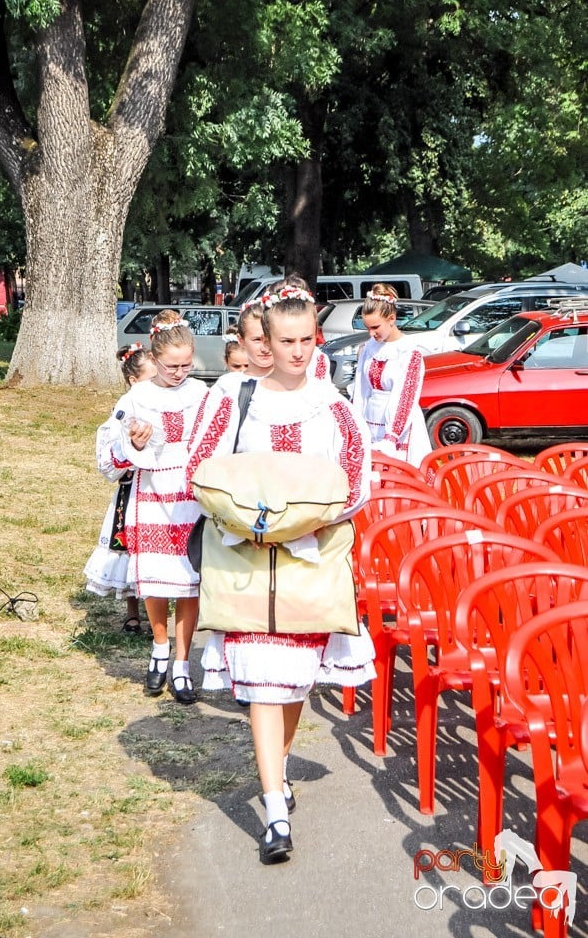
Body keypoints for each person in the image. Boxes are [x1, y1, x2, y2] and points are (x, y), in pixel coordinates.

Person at [187, 285, 375, 863]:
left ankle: (281, 772)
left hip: (310, 567)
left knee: (291, 683)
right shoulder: (236, 399)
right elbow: (199, 470)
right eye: (285, 340)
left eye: (305, 339)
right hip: (245, 562)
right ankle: (274, 810)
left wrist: (300, 525)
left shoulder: (335, 405)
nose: (297, 351)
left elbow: (357, 481)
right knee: (265, 687)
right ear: (263, 341)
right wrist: (251, 522)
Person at [113, 311, 208, 704]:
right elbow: (113, 447)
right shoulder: (137, 396)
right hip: (153, 492)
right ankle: (159, 646)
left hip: (190, 494)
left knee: (189, 581)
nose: (180, 373)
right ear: (155, 358)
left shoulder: (201, 393)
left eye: (187, 365)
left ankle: (184, 663)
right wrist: (134, 442)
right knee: (154, 576)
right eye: (172, 366)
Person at [84, 343, 157, 633]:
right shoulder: (125, 408)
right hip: (132, 488)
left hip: (156, 486)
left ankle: (155, 612)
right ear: (133, 381)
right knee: (127, 548)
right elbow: (109, 457)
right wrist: (129, 454)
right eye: (151, 379)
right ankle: (132, 611)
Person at [352, 283, 431, 466]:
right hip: (370, 418)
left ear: (392, 319)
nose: (371, 333)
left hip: (399, 425)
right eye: (368, 328)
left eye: (376, 327)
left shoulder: (408, 352)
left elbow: (405, 397)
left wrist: (392, 436)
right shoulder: (368, 348)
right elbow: (361, 391)